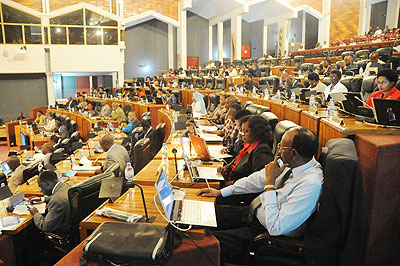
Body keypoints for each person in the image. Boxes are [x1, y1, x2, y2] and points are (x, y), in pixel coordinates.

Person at [197, 128, 323, 265]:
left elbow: (276, 227)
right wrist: (222, 192)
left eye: (281, 146)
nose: (278, 149)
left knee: (202, 244)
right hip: (253, 213)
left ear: (293, 153)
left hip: (264, 233)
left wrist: (270, 183)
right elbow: (257, 179)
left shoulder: (310, 184)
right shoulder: (294, 162)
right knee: (201, 213)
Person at [219, 115, 274, 191]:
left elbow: (256, 181)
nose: (242, 134)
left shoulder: (262, 151)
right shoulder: (248, 146)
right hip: (231, 186)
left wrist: (232, 184)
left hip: (239, 192)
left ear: (256, 131)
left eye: (246, 131)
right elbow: (236, 162)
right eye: (242, 131)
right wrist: (226, 168)